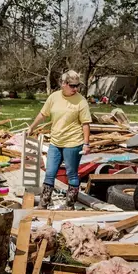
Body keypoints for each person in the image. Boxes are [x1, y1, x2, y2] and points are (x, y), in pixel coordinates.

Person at [28, 70, 92, 208]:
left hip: (73, 143)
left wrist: (86, 144)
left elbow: (85, 124)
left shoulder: (81, 101)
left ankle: (69, 206)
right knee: (50, 173)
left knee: (72, 174)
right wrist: (32, 127)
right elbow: (42, 114)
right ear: (63, 83)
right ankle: (43, 205)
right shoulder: (54, 97)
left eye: (77, 86)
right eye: (72, 85)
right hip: (55, 142)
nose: (75, 89)